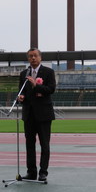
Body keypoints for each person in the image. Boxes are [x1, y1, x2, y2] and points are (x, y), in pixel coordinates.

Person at [18, 48, 56, 182]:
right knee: (29, 144)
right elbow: (21, 92)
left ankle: (43, 172)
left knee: (44, 145)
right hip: (29, 114)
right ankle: (31, 172)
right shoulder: (24, 73)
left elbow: (51, 89)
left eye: (35, 56)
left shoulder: (48, 72)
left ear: (40, 57)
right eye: (30, 56)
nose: (32, 58)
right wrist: (20, 97)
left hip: (44, 114)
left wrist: (36, 86)